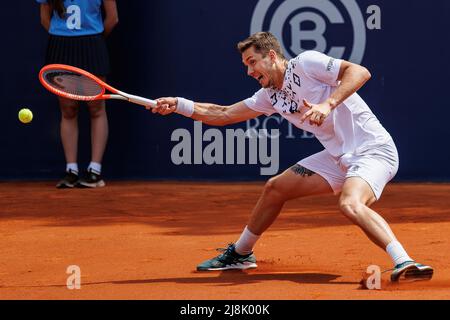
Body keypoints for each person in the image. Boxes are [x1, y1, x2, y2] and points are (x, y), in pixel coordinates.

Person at [151, 32, 433, 282]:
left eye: (252, 62)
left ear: (271, 56)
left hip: (373, 150)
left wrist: (328, 103)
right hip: (337, 158)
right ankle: (241, 253)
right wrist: (178, 105)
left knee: (350, 203)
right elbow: (223, 114)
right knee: (276, 188)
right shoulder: (269, 96)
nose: (249, 71)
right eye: (245, 65)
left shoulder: (306, 63)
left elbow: (360, 71)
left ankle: (405, 261)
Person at [38, 0, 118, 188]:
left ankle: (94, 171)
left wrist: (92, 41)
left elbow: (112, 18)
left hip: (91, 45)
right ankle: (71, 170)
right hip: (61, 47)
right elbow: (44, 18)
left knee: (96, 107)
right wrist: (65, 36)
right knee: (68, 109)